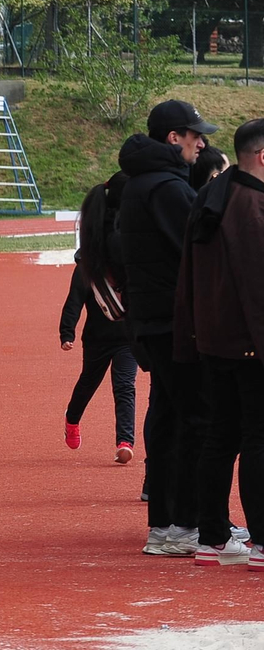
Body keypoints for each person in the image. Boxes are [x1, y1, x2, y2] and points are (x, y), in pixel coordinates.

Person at [113, 99, 214, 556]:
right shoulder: (167, 189)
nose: (201, 142)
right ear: (173, 139)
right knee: (197, 420)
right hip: (176, 322)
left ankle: (166, 526)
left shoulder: (138, 183)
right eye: (194, 135)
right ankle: (188, 525)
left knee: (171, 418)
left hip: (151, 320)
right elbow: (200, 249)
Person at [174, 118, 264, 570]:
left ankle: (210, 537)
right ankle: (260, 542)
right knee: (256, 438)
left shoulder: (214, 194)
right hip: (249, 340)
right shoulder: (251, 205)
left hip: (213, 338)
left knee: (220, 435)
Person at [60, 195, 137, 464]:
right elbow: (74, 301)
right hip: (97, 339)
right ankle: (72, 418)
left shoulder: (128, 262)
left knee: (125, 386)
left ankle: (125, 441)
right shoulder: (86, 269)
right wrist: (66, 332)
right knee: (88, 383)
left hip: (126, 337)